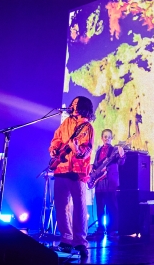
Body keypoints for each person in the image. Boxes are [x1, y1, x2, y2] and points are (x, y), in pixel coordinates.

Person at [49, 96, 94, 256]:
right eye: (72, 103)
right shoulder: (66, 122)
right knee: (61, 206)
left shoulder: (87, 127)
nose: (73, 106)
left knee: (79, 207)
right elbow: (56, 138)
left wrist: (77, 150)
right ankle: (66, 240)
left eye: (76, 104)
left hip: (77, 171)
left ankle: (80, 242)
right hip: (61, 168)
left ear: (83, 107)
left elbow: (87, 149)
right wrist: (54, 149)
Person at [91, 129, 125, 236]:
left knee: (111, 206)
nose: (107, 139)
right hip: (99, 182)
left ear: (111, 138)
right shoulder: (98, 151)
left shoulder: (114, 150)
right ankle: (101, 229)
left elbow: (121, 162)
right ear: (102, 138)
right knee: (100, 207)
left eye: (109, 137)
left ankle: (112, 229)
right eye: (105, 136)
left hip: (110, 182)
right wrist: (92, 168)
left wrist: (122, 155)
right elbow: (96, 165)